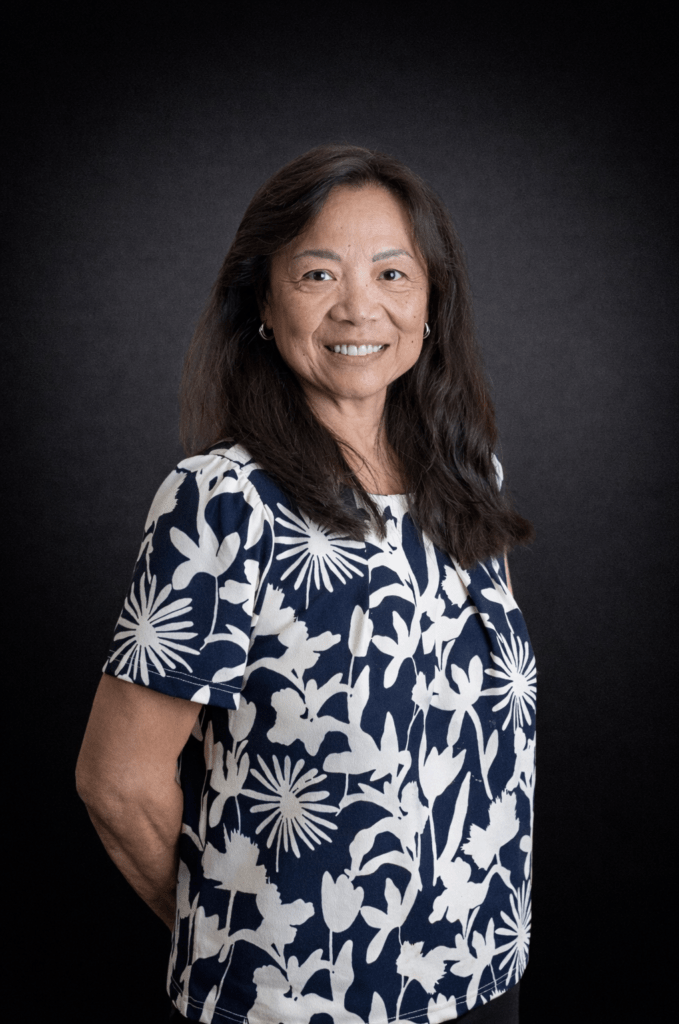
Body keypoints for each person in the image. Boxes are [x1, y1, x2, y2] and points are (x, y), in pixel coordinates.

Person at [76, 144, 536, 1024]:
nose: (358, 306)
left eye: (391, 273)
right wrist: (235, 941)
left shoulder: (469, 478)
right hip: (299, 1001)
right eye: (317, 273)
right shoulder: (221, 502)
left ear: (431, 302)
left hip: (480, 975)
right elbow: (117, 782)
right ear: (263, 301)